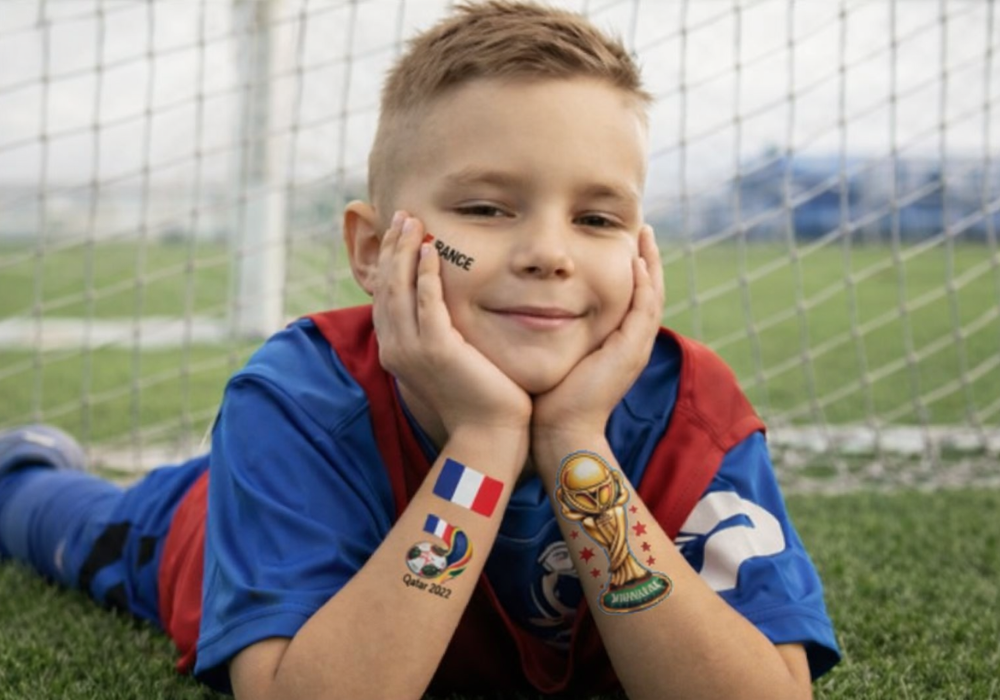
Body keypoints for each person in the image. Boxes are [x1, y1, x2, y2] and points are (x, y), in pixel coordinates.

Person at [0, 2, 841, 698]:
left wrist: (576, 446)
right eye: (485, 208)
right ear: (372, 250)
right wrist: (485, 441)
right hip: (201, 525)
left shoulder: (691, 412)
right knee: (51, 517)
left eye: (597, 219)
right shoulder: (297, 398)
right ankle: (25, 463)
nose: (550, 252)